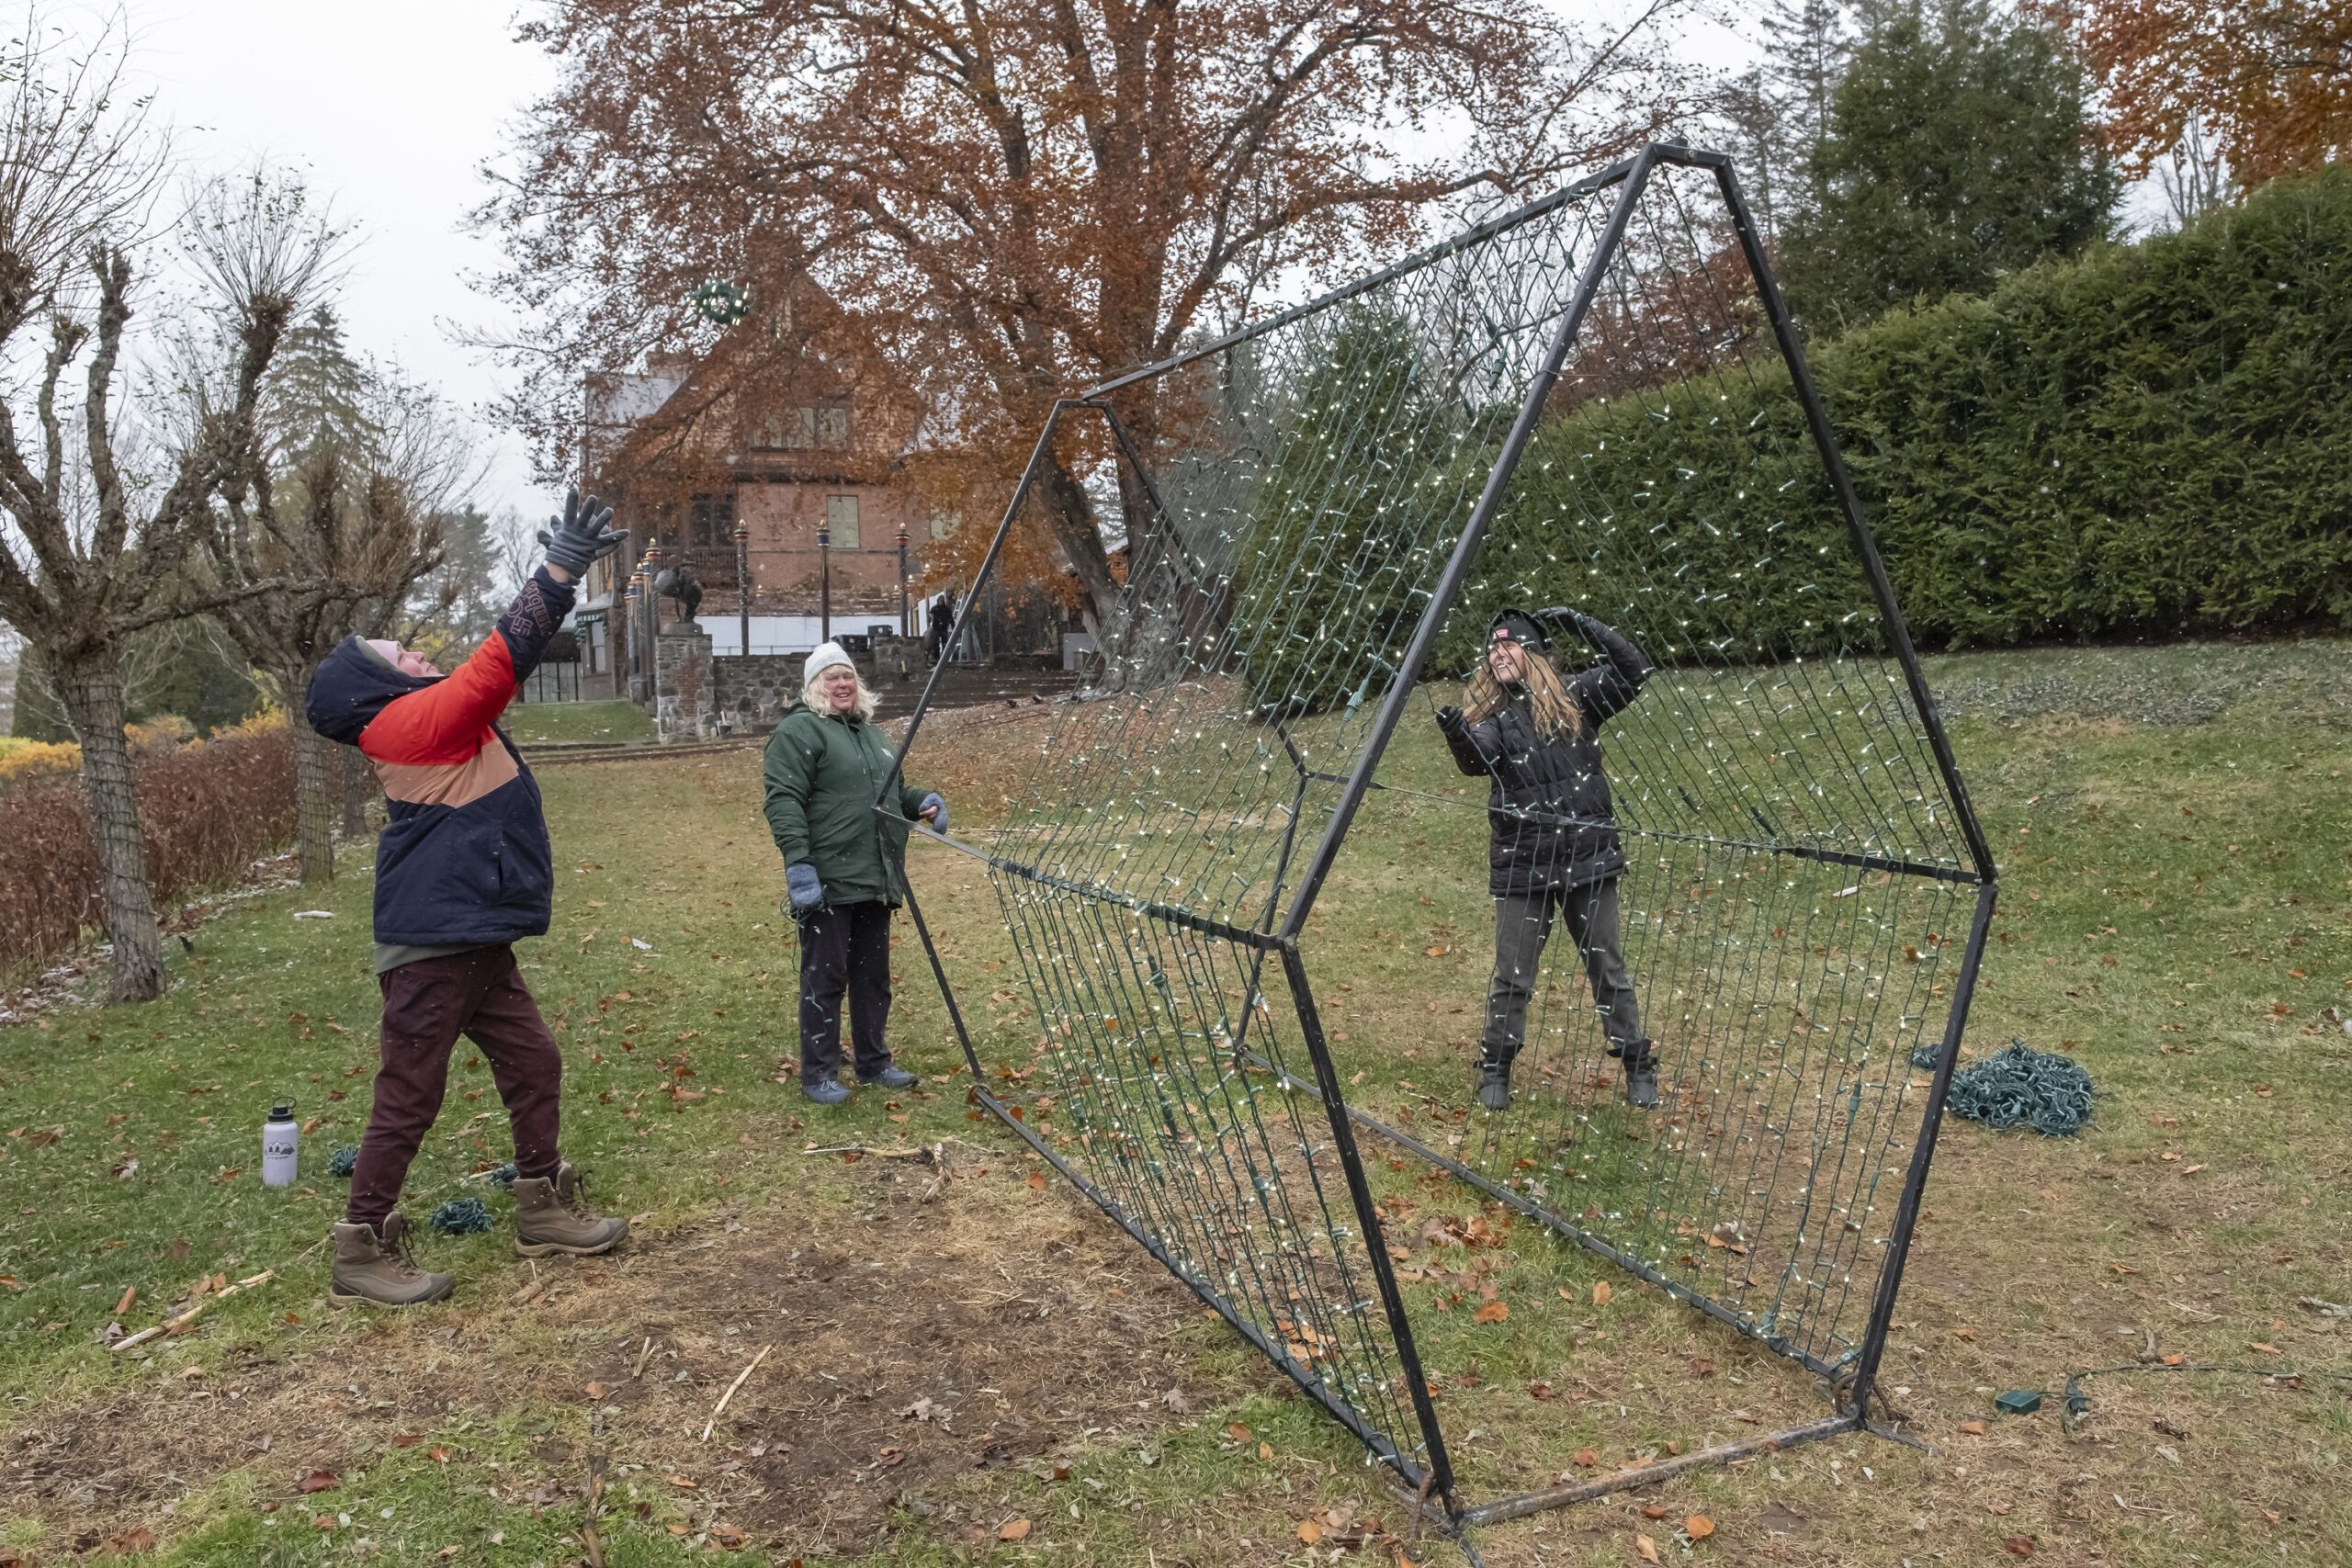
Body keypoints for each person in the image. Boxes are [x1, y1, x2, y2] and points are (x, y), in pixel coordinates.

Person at [303, 490, 632, 1306]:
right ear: (373, 686)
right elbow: (495, 666)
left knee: (534, 1060)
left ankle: (541, 1202)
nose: (418, 658)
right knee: (411, 1090)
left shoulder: (428, 717)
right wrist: (558, 572)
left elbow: (488, 678)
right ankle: (361, 1245)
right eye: (400, 656)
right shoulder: (404, 726)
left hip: (475, 934)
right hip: (433, 943)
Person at [1436, 606, 1657, 1111]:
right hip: (1523, 863)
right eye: (1492, 649)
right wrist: (1457, 732)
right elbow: (1477, 759)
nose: (1498, 654)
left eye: (1508, 645)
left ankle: (1636, 1066)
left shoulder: (1578, 699)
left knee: (1608, 970)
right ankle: (1495, 1070)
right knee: (1512, 976)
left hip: (1588, 859)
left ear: (1533, 652)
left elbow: (1634, 671)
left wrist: (1586, 623)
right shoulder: (1489, 720)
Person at [763, 641, 946, 1105]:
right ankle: (819, 1073)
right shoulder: (800, 732)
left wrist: (924, 801)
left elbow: (895, 791)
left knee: (872, 977)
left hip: (876, 872)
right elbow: (783, 799)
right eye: (831, 677)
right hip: (828, 878)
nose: (842, 684)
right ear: (814, 687)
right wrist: (799, 864)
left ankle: (873, 1063)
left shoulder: (873, 735)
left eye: (848, 676)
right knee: (825, 977)